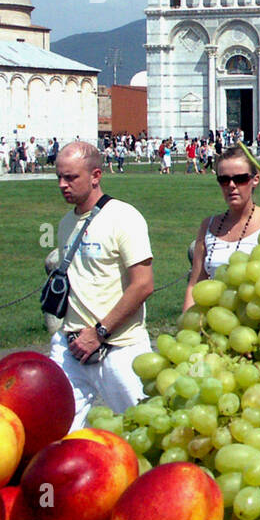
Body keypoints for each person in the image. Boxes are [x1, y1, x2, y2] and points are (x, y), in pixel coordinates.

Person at [49, 142, 155, 430]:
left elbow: (143, 284)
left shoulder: (124, 217)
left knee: (139, 431)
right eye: (59, 176)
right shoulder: (65, 223)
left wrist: (99, 332)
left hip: (119, 347)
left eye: (71, 177)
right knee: (57, 433)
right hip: (71, 346)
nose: (62, 185)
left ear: (96, 175)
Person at [184, 145, 260, 310]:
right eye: (224, 180)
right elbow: (195, 284)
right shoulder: (208, 225)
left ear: (255, 179)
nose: (231, 185)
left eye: (240, 179)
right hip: (212, 324)